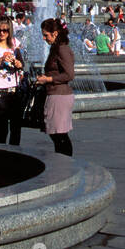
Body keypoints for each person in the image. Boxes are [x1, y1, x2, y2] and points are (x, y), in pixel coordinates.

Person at [35, 18, 76, 155]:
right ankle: (64, 162)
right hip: (55, 94)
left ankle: (66, 163)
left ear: (55, 33)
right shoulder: (56, 48)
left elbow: (69, 75)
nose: (43, 38)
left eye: (46, 35)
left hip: (60, 96)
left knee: (60, 135)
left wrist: (48, 79)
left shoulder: (62, 49)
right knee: (57, 135)